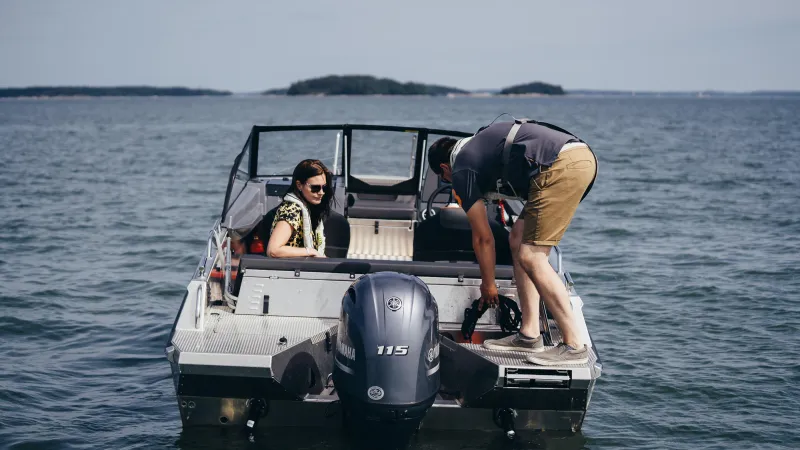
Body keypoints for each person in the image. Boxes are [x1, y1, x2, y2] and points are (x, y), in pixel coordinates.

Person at [426, 118, 597, 366]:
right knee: (517, 239)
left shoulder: (461, 169)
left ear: (445, 168)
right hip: (575, 158)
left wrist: (489, 286)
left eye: (445, 179)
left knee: (531, 255)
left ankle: (574, 345)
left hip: (560, 166)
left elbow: (483, 238)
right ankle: (529, 334)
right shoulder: (478, 147)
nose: (449, 183)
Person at [266, 159, 334, 258]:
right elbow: (273, 250)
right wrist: (310, 251)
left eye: (324, 187)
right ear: (299, 185)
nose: (321, 192)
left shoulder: (307, 208)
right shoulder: (291, 210)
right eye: (315, 188)